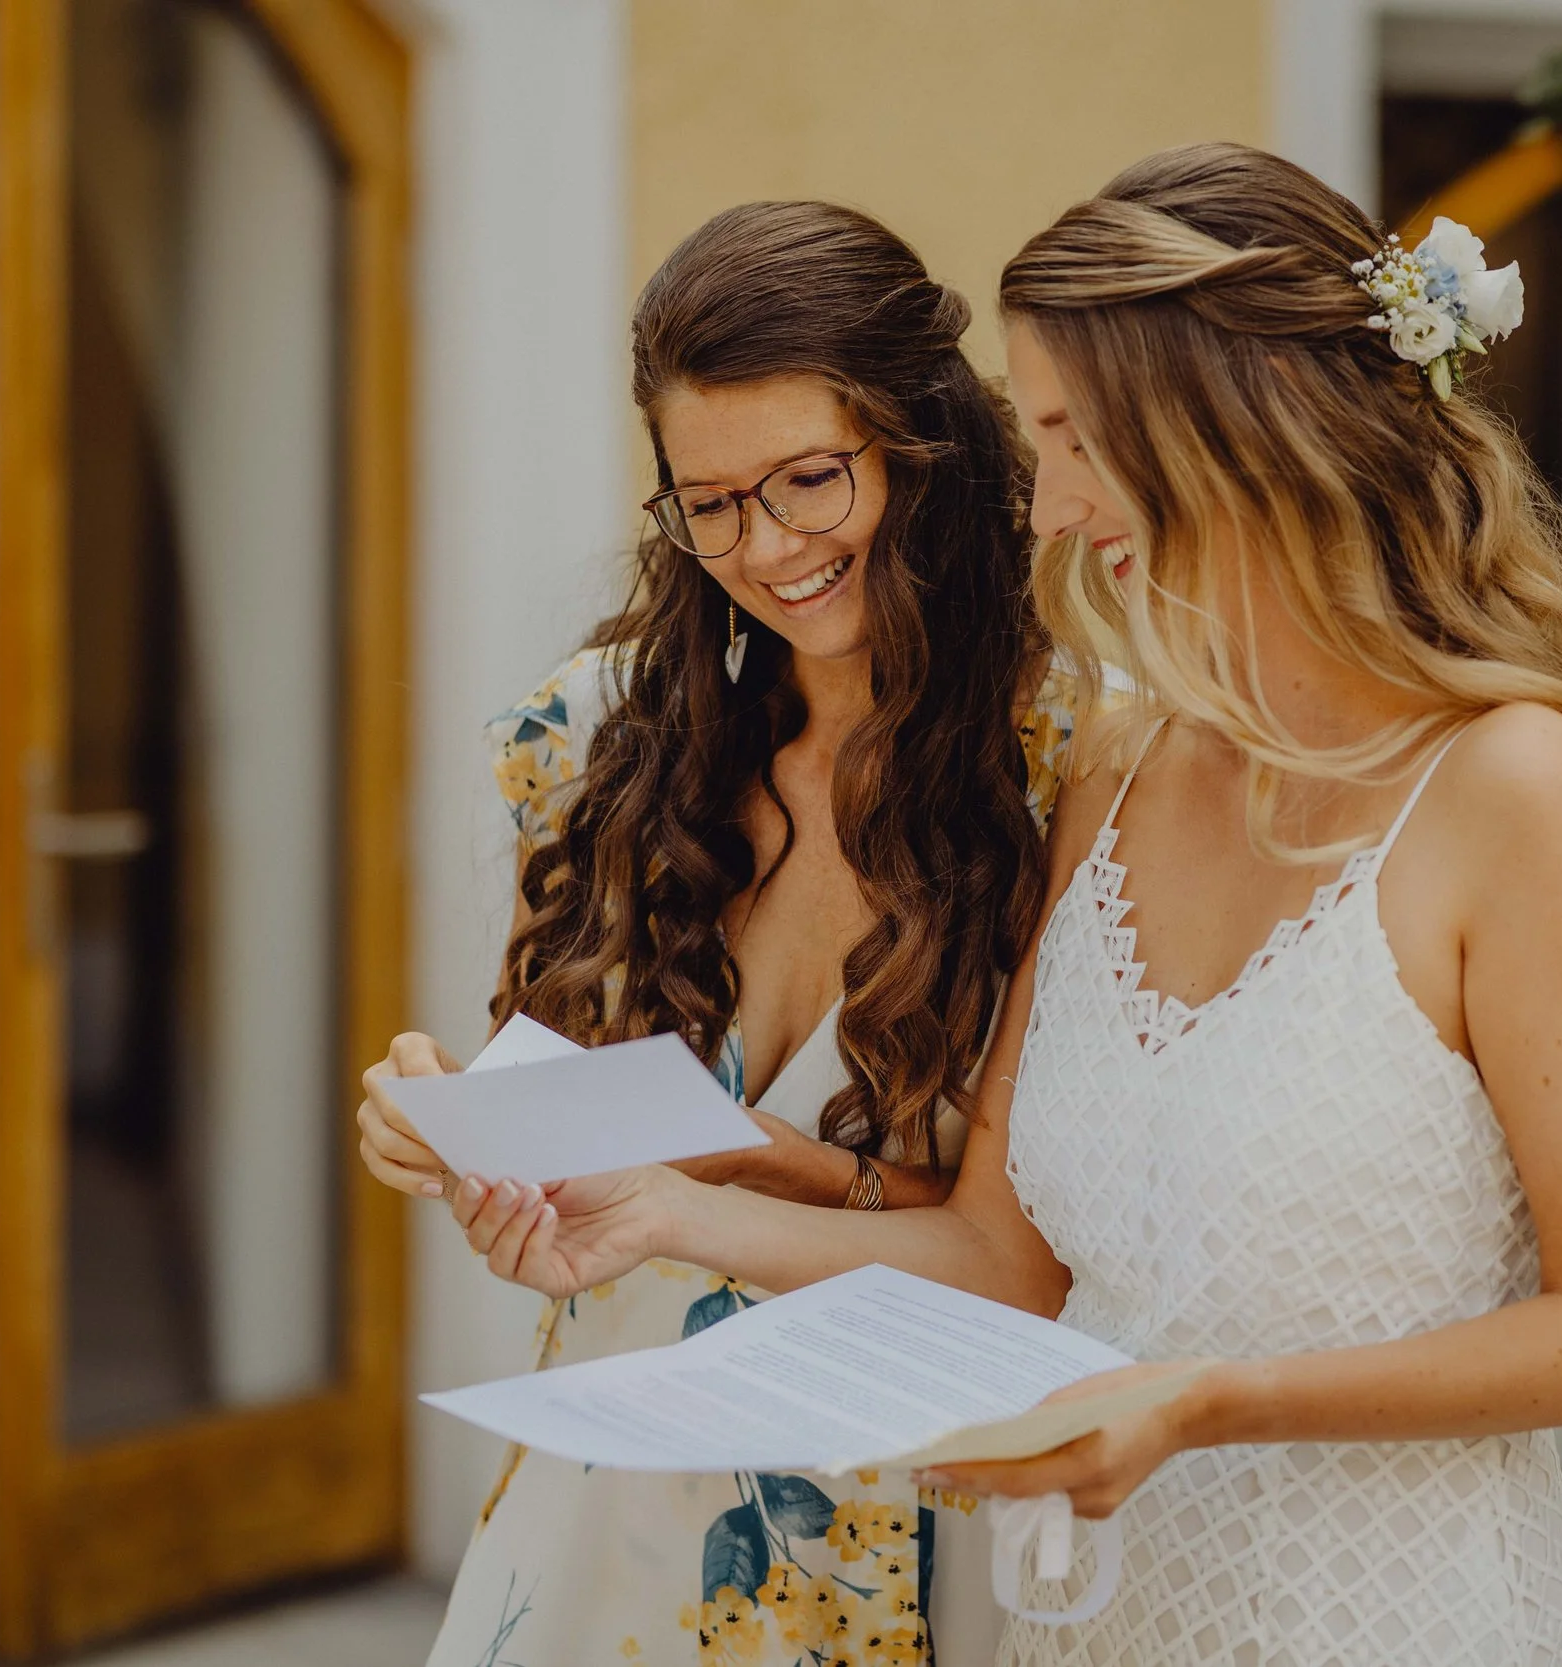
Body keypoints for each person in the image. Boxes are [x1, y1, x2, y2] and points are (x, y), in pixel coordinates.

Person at [431, 143, 1562, 1667]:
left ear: (1229, 435)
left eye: (1074, 442)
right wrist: (656, 1205)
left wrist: (1202, 1401)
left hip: (1387, 1615)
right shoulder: (1123, 777)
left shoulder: (1517, 792)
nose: (1040, 507)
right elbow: (1002, 1255)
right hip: (1098, 1625)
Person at [357, 200, 1108, 1667]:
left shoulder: (1067, 764)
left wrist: (706, 1160)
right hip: (594, 1503)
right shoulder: (590, 741)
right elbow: (575, 1168)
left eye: (810, 481)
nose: (764, 547)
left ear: (922, 444)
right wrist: (458, 1131)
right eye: (708, 503)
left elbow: (1025, 1255)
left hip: (896, 1521)